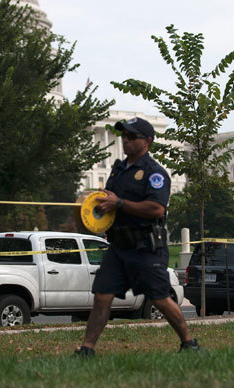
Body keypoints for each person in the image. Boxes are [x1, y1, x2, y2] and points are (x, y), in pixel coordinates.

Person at [74, 117, 200, 357]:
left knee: (160, 298)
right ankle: (86, 349)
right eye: (124, 136)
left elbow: (157, 209)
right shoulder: (119, 169)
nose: (125, 140)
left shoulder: (155, 173)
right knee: (102, 295)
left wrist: (119, 202)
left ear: (147, 141)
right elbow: (111, 201)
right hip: (118, 247)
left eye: (132, 137)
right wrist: (99, 203)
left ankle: (189, 343)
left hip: (146, 246)